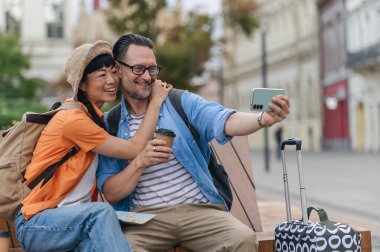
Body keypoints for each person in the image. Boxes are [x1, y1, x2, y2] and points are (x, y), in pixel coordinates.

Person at [97, 34, 291, 252]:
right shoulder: (110, 124)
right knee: (120, 248)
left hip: (199, 211)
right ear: (118, 69)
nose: (148, 77)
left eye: (152, 69)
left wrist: (261, 119)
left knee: (242, 238)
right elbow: (111, 192)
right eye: (138, 69)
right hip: (144, 219)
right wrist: (140, 161)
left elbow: (222, 119)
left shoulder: (179, 102)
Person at [15, 40, 172, 252]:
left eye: (113, 72)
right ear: (82, 84)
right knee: (101, 212)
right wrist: (155, 103)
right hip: (38, 225)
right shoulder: (73, 120)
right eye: (101, 75)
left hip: (72, 226)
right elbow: (135, 149)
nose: (112, 80)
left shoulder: (95, 119)